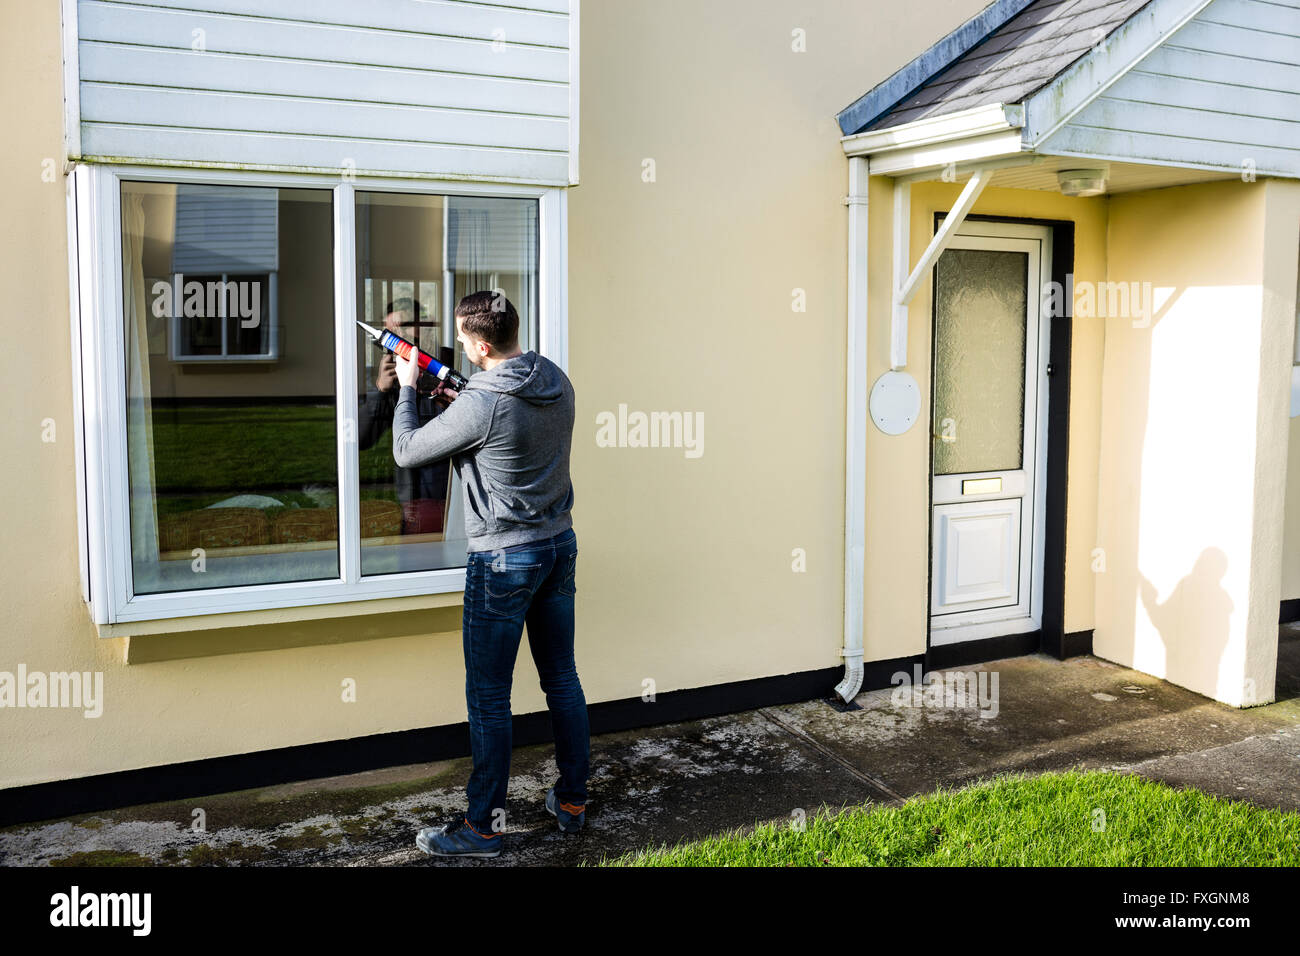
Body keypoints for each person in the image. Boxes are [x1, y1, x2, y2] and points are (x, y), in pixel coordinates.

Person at [392, 290, 588, 860]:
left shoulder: (482, 403)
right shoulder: (553, 377)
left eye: (462, 338)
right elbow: (507, 424)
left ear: (480, 344)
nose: (457, 347)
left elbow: (407, 451)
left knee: (489, 699)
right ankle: (572, 801)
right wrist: (458, 393)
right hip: (558, 545)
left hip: (503, 559)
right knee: (562, 680)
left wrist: (408, 387)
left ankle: (482, 829)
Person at [357, 298, 452, 535]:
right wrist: (380, 390)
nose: (395, 338)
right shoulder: (390, 375)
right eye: (390, 331)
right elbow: (362, 439)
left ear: (424, 325)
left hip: (454, 491)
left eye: (402, 327)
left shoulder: (449, 364)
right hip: (411, 498)